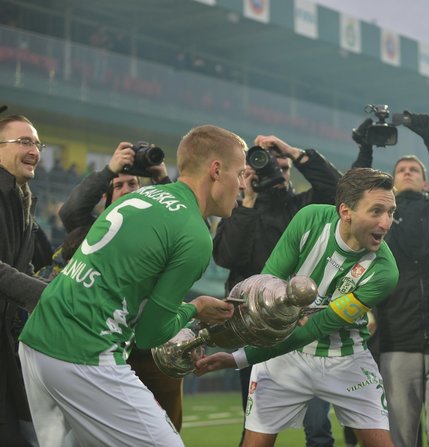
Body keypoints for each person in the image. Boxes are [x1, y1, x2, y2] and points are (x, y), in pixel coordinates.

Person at [18, 124, 246, 446]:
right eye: (240, 174)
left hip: (37, 340)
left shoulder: (143, 195)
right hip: (85, 349)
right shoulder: (194, 235)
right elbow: (151, 334)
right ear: (216, 170)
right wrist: (195, 308)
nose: (241, 187)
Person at [196, 167, 399, 447]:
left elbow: (312, 329)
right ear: (345, 211)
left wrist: (238, 358)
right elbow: (264, 288)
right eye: (376, 211)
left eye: (390, 212)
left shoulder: (384, 273)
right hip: (284, 358)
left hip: (346, 359)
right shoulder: (310, 219)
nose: (386, 222)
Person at [212, 134, 342, 446]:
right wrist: (249, 200)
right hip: (255, 328)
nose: (278, 173)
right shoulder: (239, 210)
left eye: (283, 167)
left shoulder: (303, 206)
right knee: (254, 423)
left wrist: (295, 152)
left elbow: (340, 190)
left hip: (301, 323)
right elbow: (227, 256)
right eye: (270, 168)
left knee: (317, 427)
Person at [351, 111, 429, 447]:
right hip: (397, 340)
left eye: (414, 170)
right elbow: (354, 192)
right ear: (393, 183)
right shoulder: (379, 219)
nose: (408, 172)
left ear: (425, 182)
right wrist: (366, 150)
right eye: (401, 170)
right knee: (400, 437)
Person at [57, 142, 186, 430]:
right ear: (107, 196)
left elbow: (188, 221)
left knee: (167, 427)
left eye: (134, 184)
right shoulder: (93, 232)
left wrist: (162, 179)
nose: (128, 189)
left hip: (154, 349)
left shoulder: (164, 228)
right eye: (119, 185)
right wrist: (108, 170)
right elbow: (70, 212)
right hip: (106, 344)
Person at [0, 114, 49, 446]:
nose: (34, 149)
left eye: (36, 143)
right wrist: (49, 297)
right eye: (24, 141)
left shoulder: (22, 198)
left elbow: (44, 259)